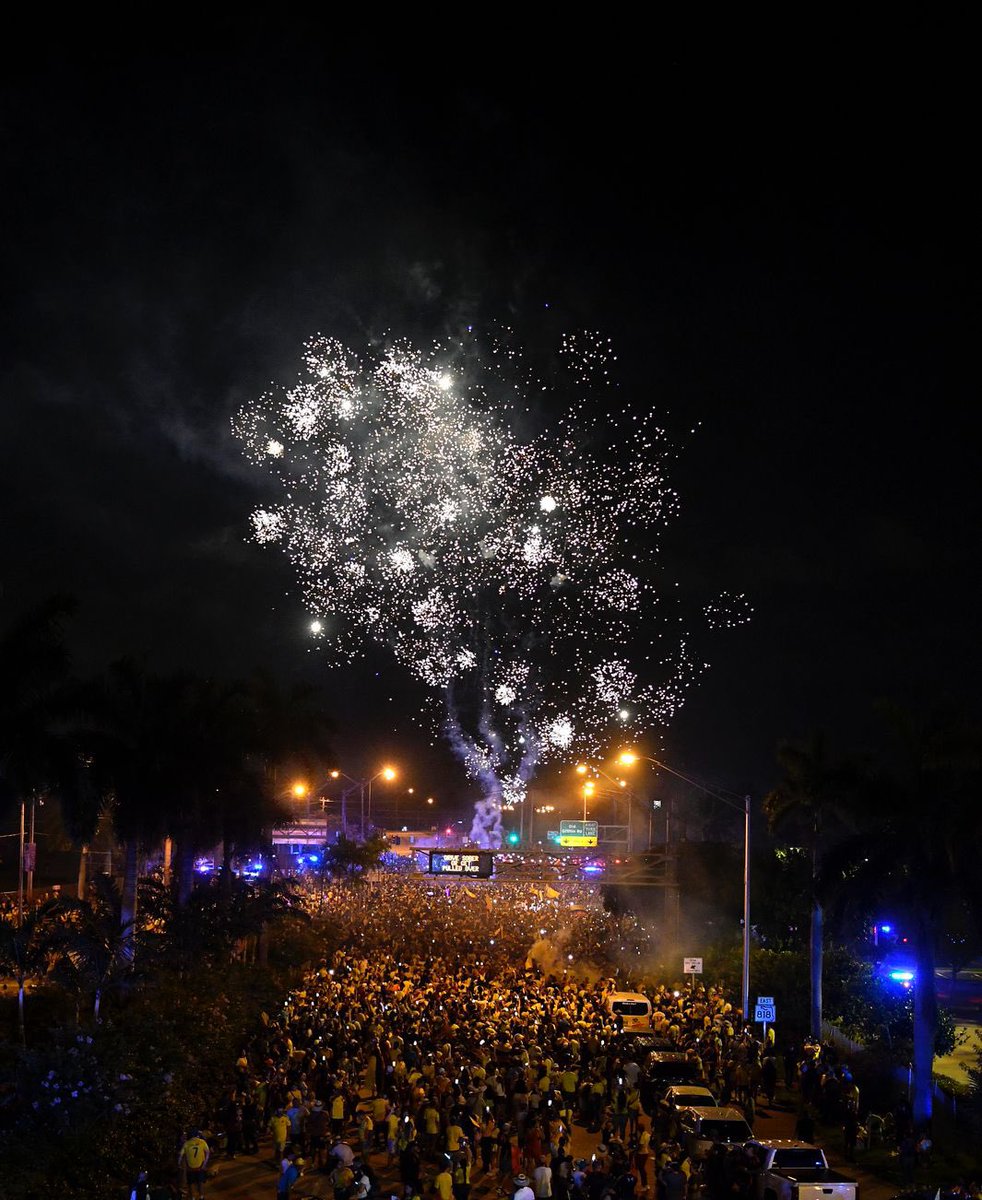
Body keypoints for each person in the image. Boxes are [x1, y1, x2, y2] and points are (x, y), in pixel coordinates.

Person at [179, 1130, 211, 1200]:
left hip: (190, 1167)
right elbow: (208, 1153)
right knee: (200, 1182)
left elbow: (181, 1155)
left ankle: (193, 1197)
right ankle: (201, 1197)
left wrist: (179, 1164)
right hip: (200, 1166)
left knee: (191, 1183)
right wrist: (204, 1164)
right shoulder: (202, 1142)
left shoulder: (186, 1144)